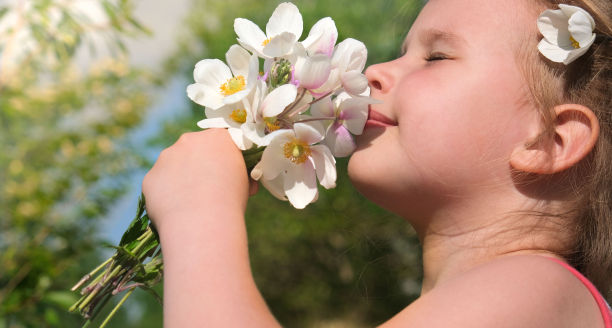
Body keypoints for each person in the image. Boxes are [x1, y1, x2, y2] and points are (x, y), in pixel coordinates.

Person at [141, 0, 612, 326]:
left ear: (549, 142)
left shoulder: (535, 289)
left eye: (437, 57)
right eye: (404, 52)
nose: (373, 73)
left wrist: (198, 216)